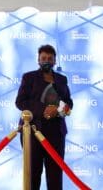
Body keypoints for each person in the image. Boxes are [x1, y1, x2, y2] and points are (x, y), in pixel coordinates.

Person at [15, 44, 73, 190]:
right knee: (33, 174)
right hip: (33, 133)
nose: (46, 61)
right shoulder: (29, 78)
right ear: (38, 60)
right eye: (43, 58)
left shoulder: (62, 79)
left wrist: (57, 109)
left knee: (55, 176)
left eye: (50, 58)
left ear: (55, 61)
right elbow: (20, 102)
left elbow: (69, 104)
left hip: (56, 134)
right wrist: (44, 109)